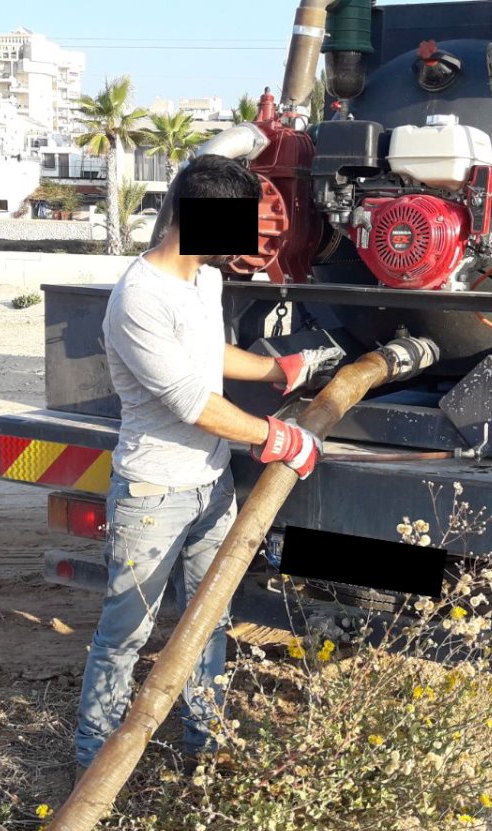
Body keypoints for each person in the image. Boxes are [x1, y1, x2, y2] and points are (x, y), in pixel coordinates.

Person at [74, 154, 342, 777]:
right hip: (152, 494)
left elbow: (204, 354)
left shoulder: (206, 280)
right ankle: (94, 762)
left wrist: (278, 369)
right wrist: (277, 437)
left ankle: (205, 747)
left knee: (209, 624)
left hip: (211, 488)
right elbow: (190, 402)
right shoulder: (136, 298)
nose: (249, 240)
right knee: (126, 635)